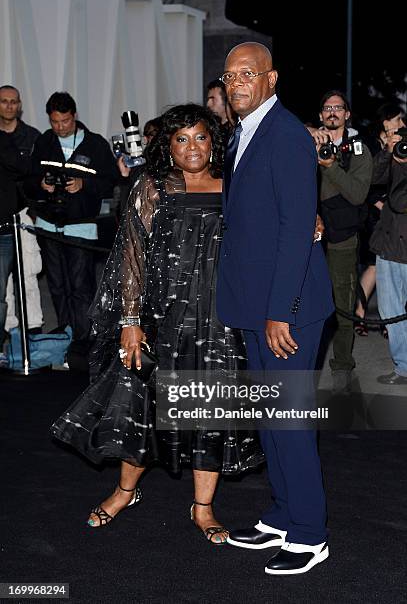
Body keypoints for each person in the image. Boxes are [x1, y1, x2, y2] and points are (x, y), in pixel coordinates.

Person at [51, 104, 264, 544]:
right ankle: (124, 492)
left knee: (210, 409)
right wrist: (131, 321)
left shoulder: (233, 185)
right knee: (142, 407)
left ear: (214, 141)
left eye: (200, 137)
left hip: (219, 320)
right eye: (181, 139)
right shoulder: (153, 185)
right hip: (160, 319)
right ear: (167, 145)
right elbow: (132, 254)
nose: (192, 148)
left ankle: (202, 507)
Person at [216, 42, 334, 575]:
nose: (237, 83)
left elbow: (293, 231)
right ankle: (285, 514)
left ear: (271, 79)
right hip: (257, 304)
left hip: (288, 309)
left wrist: (281, 310)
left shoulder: (285, 134)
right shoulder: (243, 132)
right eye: (229, 75)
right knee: (270, 419)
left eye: (248, 74)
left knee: (288, 420)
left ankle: (309, 534)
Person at [24, 92, 117, 369]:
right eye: (54, 122)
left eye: (64, 121)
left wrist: (83, 184)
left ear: (74, 116)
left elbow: (111, 180)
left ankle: (83, 339)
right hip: (48, 224)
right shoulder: (43, 142)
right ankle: (63, 334)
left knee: (80, 285)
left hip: (82, 226)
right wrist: (42, 184)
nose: (60, 127)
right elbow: (28, 180)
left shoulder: (95, 143)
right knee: (57, 284)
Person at [308, 90, 372, 394]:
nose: (332, 112)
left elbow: (358, 195)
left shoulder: (358, 149)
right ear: (321, 116)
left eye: (338, 108)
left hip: (342, 238)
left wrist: (331, 166)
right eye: (327, 108)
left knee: (343, 306)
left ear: (347, 115)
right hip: (307, 237)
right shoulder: (307, 144)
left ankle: (343, 367)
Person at [355, 102, 405, 336]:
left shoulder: (402, 144)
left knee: (384, 271)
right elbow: (368, 181)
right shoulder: (371, 145)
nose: (402, 124)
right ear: (386, 122)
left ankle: (391, 321)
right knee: (375, 268)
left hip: (396, 217)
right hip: (377, 217)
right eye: (398, 119)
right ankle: (361, 316)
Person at [0, 85, 40, 367]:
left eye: (13, 102)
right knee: (2, 288)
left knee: (28, 276)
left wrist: (35, 210)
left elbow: (35, 174)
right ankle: (7, 335)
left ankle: (33, 333)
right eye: (4, 102)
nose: (9, 106)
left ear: (20, 105)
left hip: (23, 215)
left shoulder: (32, 137)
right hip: (1, 219)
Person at [369, 110, 407, 385]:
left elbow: (400, 198)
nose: (395, 135)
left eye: (397, 129)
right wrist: (388, 151)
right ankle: (403, 367)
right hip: (387, 244)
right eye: (387, 130)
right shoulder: (391, 153)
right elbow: (373, 180)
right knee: (391, 311)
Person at [206, 79, 236, 145]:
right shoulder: (209, 129)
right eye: (208, 99)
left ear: (226, 100)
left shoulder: (236, 132)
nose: (208, 104)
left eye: (212, 98)